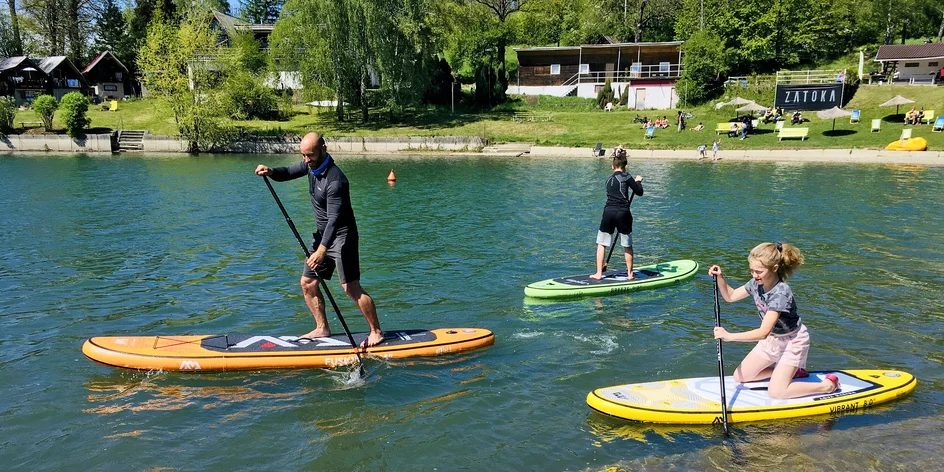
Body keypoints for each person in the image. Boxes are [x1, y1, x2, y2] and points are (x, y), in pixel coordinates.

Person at [254, 132, 384, 348]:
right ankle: (322, 327)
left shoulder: (336, 180)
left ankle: (376, 331)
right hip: (322, 238)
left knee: (350, 288)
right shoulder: (311, 166)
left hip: (343, 238)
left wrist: (322, 250)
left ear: (324, 149)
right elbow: (286, 172)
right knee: (308, 282)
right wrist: (271, 171)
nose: (306, 160)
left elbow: (334, 220)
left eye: (310, 155)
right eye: (303, 156)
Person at [708, 242, 839, 399]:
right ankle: (794, 373)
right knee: (740, 377)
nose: (754, 275)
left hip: (793, 341)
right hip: (774, 339)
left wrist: (729, 336)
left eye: (759, 271)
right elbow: (730, 296)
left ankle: (827, 386)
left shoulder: (781, 292)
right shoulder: (756, 284)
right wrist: (720, 277)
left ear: (775, 268)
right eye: (752, 270)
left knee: (776, 392)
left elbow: (763, 332)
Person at [589, 152, 644, 280]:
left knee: (601, 243)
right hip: (622, 213)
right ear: (625, 167)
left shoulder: (608, 179)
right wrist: (638, 181)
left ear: (612, 167)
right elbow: (639, 192)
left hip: (607, 212)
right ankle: (630, 274)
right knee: (627, 244)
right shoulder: (626, 176)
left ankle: (598, 273)